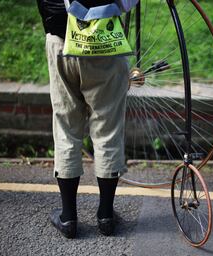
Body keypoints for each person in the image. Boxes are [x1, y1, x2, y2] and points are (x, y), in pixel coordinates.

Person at [36, 0, 135, 238]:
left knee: (66, 127)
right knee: (107, 129)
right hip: (104, 45)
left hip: (60, 44)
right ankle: (106, 216)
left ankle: (68, 217)